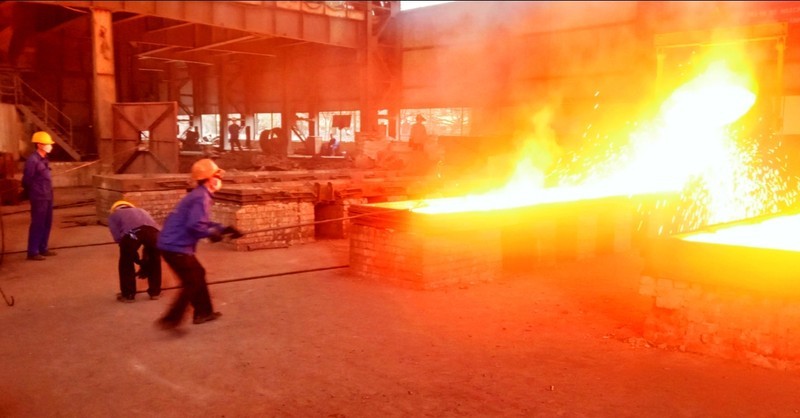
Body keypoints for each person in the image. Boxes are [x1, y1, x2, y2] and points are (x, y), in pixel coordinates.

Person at [155, 158, 242, 329]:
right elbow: (195, 225)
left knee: (198, 274)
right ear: (210, 178)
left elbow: (201, 222)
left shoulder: (199, 194)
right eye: (217, 176)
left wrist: (224, 229)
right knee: (192, 281)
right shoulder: (201, 197)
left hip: (173, 244)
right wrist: (211, 234)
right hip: (175, 246)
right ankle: (172, 319)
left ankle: (204, 312)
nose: (220, 180)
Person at [107, 200, 162, 303]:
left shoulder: (114, 215)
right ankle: (155, 292)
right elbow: (153, 227)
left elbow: (118, 237)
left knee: (126, 262)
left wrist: (129, 252)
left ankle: (128, 295)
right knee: (154, 260)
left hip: (132, 233)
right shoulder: (141, 210)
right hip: (154, 234)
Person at [22, 131, 57, 261]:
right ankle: (33, 251)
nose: (49, 146)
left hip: (48, 195)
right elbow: (27, 179)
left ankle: (43, 248)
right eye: (47, 144)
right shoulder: (32, 160)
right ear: (39, 145)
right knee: (38, 223)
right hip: (39, 197)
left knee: (47, 222)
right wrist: (31, 192)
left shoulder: (44, 159)